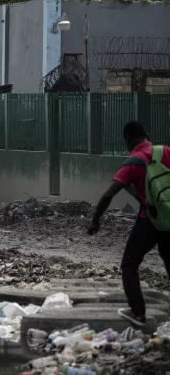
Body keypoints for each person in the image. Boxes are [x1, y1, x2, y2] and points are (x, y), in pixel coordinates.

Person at [88, 121, 167, 327]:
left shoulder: (133, 162)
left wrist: (95, 221)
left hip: (149, 221)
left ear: (128, 138)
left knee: (129, 264)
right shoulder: (165, 151)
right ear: (147, 135)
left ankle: (138, 313)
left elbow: (108, 195)